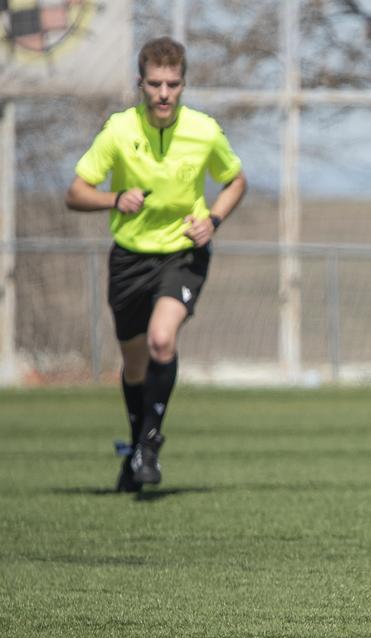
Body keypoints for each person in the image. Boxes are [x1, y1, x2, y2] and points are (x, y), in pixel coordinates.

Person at [65, 37, 247, 491]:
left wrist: (214, 220)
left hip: (183, 252)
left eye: (173, 84)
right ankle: (135, 449)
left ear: (184, 84)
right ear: (140, 84)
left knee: (162, 341)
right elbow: (75, 192)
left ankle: (149, 444)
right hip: (129, 258)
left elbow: (236, 181)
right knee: (134, 363)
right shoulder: (118, 131)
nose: (164, 93)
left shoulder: (204, 131)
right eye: (155, 84)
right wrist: (113, 198)